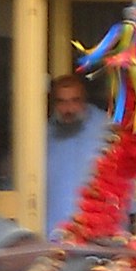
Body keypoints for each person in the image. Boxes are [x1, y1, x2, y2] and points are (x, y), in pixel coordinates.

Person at [42, 71, 108, 238]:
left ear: (84, 101)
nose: (68, 109)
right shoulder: (42, 137)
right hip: (53, 239)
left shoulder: (107, 130)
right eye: (61, 102)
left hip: (99, 238)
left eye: (75, 101)